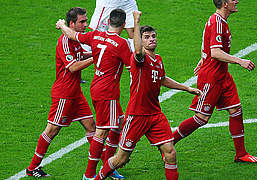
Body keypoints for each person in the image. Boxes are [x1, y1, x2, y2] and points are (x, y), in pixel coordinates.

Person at [94, 11, 203, 180]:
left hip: (154, 114)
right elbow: (137, 50)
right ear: (141, 40)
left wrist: (187, 88)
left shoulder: (157, 59)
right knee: (120, 159)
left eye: (153, 36)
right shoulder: (139, 59)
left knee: (170, 152)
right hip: (137, 115)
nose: (151, 39)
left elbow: (162, 79)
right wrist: (136, 22)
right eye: (147, 37)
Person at [172, 0, 257, 163]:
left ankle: (241, 154)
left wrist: (203, 57)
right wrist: (239, 61)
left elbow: (207, 43)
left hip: (222, 75)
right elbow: (215, 52)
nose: (236, 1)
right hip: (211, 77)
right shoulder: (217, 22)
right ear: (224, 4)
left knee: (236, 110)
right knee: (201, 118)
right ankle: (168, 144)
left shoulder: (218, 21)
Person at [56, 8, 132, 180]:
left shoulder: (95, 35)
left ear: (109, 22)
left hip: (97, 88)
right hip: (108, 92)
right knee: (102, 132)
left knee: (120, 124)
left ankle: (109, 167)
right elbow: (133, 68)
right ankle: (90, 175)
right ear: (123, 24)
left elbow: (73, 35)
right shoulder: (121, 44)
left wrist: (61, 25)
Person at [26, 7, 96, 178]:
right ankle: (32, 167)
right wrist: (96, 58)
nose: (85, 24)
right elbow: (72, 67)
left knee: (91, 125)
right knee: (52, 130)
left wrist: (97, 51)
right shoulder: (64, 41)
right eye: (82, 21)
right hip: (64, 94)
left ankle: (100, 164)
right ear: (71, 24)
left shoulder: (75, 40)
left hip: (76, 94)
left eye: (86, 20)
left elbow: (80, 54)